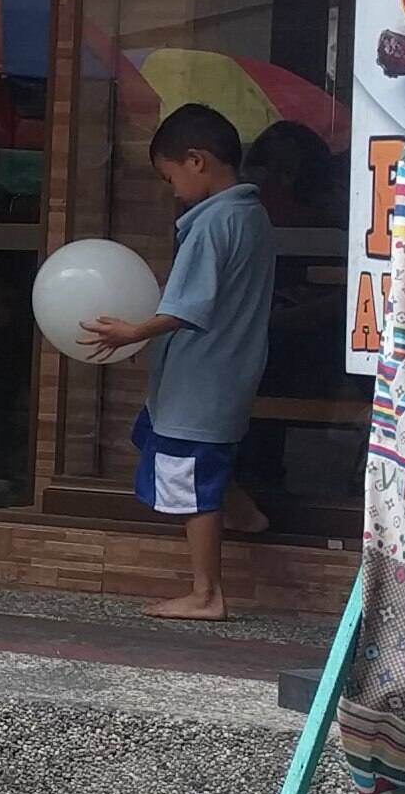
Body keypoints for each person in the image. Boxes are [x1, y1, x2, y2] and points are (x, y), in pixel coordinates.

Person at [82, 103, 279, 621]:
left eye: (170, 177)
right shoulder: (250, 214)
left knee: (188, 481)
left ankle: (206, 593)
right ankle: (243, 512)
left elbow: (187, 306)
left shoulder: (213, 223)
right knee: (157, 439)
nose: (173, 190)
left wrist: (133, 333)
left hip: (202, 378)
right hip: (220, 373)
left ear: (197, 161)